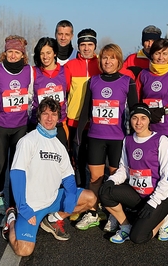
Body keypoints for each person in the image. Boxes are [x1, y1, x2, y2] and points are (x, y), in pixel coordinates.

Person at [1, 97, 97, 256]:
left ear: (58, 118)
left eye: (53, 114)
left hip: (52, 199)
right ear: (38, 116)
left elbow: (68, 177)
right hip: (31, 206)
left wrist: (71, 196)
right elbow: (17, 174)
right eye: (45, 114)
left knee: (90, 198)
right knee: (24, 250)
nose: (49, 118)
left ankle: (52, 219)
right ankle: (11, 220)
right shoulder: (28, 141)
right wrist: (23, 208)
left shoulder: (59, 146)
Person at [74, 43, 138, 231]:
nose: (108, 61)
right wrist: (77, 138)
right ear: (100, 60)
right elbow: (85, 112)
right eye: (104, 57)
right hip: (95, 137)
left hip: (117, 138)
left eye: (112, 57)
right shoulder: (93, 81)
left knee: (115, 178)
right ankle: (93, 212)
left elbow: (135, 111)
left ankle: (113, 214)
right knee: (95, 178)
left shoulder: (127, 81)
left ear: (118, 60)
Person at [99, 103, 168, 244]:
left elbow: (167, 177)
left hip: (158, 199)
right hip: (137, 195)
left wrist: (153, 202)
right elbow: (124, 169)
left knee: (138, 238)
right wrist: (111, 180)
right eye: (135, 118)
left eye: (143, 118)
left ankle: (164, 220)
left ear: (149, 120)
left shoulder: (161, 141)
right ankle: (126, 226)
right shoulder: (127, 140)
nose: (138, 122)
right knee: (105, 192)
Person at [0, 35, 32, 215]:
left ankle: (15, 200)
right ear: (4, 53)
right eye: (10, 52)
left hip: (20, 125)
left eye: (17, 52)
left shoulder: (29, 70)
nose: (13, 55)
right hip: (1, 126)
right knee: (1, 165)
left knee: (18, 166)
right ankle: (0, 197)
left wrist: (24, 102)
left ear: (23, 55)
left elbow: (31, 95)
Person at [64, 28, 101, 190]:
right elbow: (63, 92)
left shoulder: (102, 64)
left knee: (94, 163)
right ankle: (79, 198)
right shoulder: (70, 66)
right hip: (75, 122)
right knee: (77, 162)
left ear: (95, 46)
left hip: (96, 122)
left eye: (90, 44)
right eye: (83, 45)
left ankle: (95, 201)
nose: (86, 48)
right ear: (78, 46)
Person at [29, 37, 68, 148]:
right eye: (42, 53)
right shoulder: (33, 72)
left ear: (55, 53)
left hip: (59, 124)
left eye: (48, 53)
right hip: (38, 124)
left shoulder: (65, 71)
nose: (45, 57)